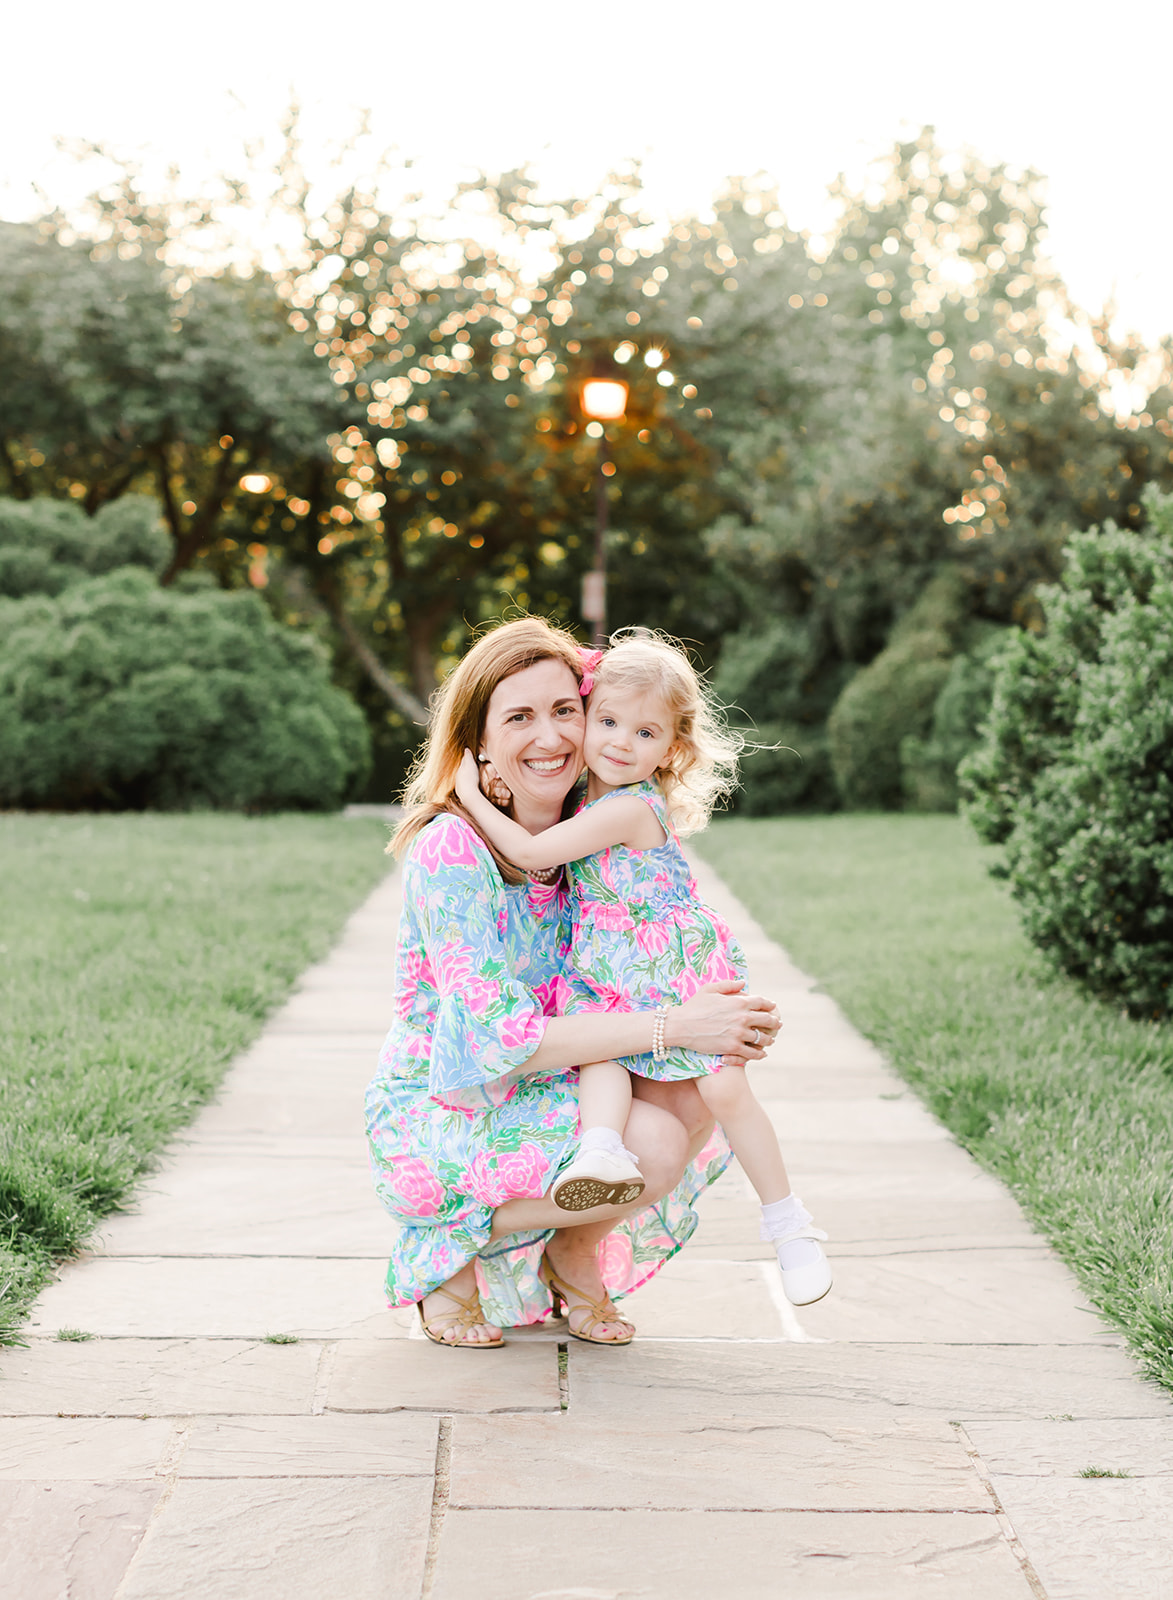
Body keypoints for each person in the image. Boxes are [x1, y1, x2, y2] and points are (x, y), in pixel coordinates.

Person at [365, 616, 782, 1348]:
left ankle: (572, 1248)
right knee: (646, 1143)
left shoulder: (587, 838)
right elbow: (504, 1043)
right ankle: (440, 1253)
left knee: (687, 1093)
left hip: (537, 1083)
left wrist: (714, 1011)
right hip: (450, 1102)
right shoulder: (452, 850)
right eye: (519, 717)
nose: (551, 737)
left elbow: (642, 958)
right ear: (480, 743)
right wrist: (675, 1028)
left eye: (565, 711)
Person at [454, 630, 832, 1306]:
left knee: (720, 1093)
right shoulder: (590, 800)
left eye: (645, 732)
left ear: (672, 748)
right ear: (587, 714)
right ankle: (600, 1150)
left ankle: (788, 1224)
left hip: (670, 968)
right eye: (606, 721)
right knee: (603, 1045)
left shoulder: (626, 807)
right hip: (610, 976)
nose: (621, 742)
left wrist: (469, 793)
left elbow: (526, 843)